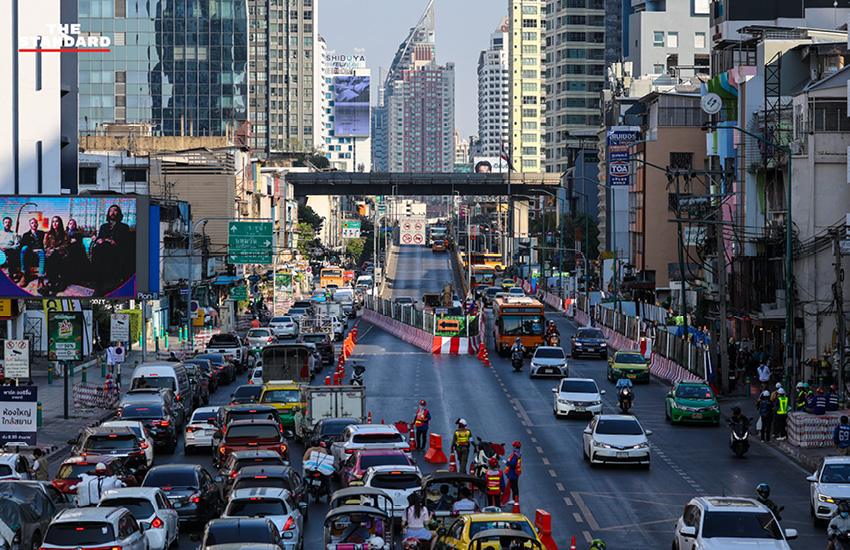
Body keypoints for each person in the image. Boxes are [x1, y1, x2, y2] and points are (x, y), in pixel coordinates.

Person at [90, 204, 133, 295]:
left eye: (115, 210)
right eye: (111, 211)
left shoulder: (124, 227)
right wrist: (99, 240)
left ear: (119, 213)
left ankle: (103, 283)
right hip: (103, 249)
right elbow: (100, 238)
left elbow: (125, 242)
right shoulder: (103, 226)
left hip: (117, 249)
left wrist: (113, 241)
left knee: (103, 250)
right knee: (98, 249)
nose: (112, 212)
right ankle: (98, 281)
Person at [19, 217, 45, 287]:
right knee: (24, 248)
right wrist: (32, 250)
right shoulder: (26, 235)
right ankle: (24, 274)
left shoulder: (42, 233)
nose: (34, 224)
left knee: (42, 252)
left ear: (37, 224)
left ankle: (40, 278)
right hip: (29, 253)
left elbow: (44, 244)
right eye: (32, 223)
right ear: (30, 225)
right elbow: (22, 246)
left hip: (39, 252)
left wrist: (40, 249)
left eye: (35, 223)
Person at [65, 219, 89, 285]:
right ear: (68, 225)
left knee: (76, 250)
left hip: (77, 249)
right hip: (67, 248)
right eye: (70, 224)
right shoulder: (65, 233)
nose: (71, 225)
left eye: (73, 224)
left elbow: (80, 240)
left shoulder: (78, 233)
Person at [0, 217, 21, 281]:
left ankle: (11, 276)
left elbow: (17, 245)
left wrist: (8, 248)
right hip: (0, 250)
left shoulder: (14, 234)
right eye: (6, 222)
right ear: (3, 224)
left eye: (9, 222)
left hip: (10, 251)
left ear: (11, 224)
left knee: (12, 254)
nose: (7, 224)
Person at [501, 441, 522, 506]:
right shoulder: (518, 454)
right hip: (516, 473)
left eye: (513, 447)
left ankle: (514, 499)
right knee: (515, 486)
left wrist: (506, 462)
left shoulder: (515, 456)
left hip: (513, 473)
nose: (512, 448)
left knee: (513, 486)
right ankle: (515, 498)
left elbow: (513, 464)